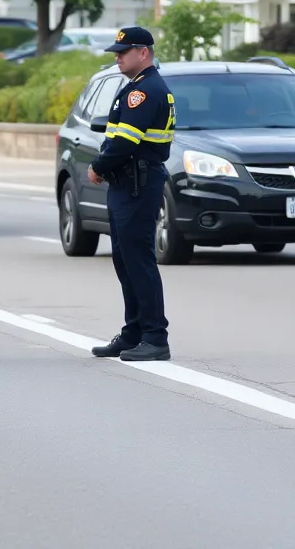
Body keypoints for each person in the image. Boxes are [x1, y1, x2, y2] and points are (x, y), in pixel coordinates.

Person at [86, 26, 175, 362]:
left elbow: (125, 142)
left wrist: (97, 166)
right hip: (127, 183)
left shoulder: (146, 90)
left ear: (144, 53)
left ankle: (155, 337)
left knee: (138, 261)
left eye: (124, 52)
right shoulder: (136, 87)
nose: (118, 58)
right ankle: (134, 331)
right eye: (116, 53)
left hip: (138, 183)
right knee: (125, 260)